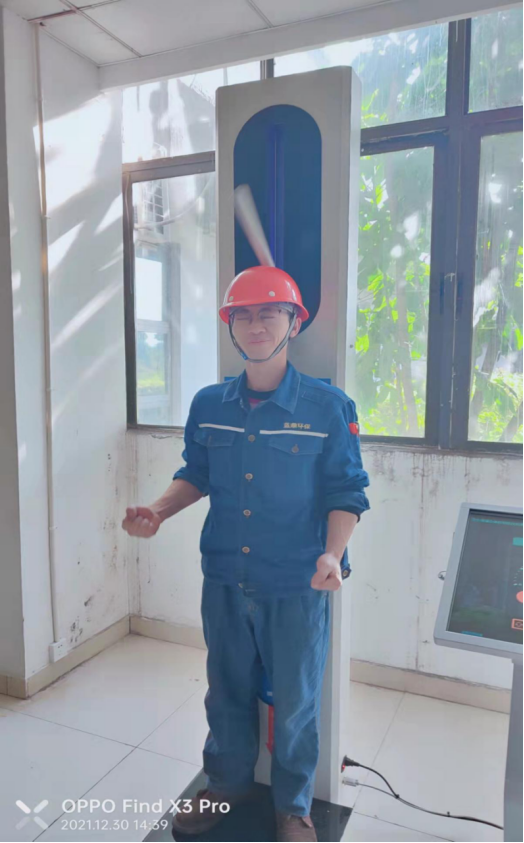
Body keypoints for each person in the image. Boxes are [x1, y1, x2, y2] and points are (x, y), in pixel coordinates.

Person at [122, 266, 371, 842]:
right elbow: (196, 473)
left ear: (293, 323)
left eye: (270, 313)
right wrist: (158, 510)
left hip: (297, 584)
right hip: (225, 578)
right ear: (230, 326)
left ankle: (294, 807)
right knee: (226, 689)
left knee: (297, 701)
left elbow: (347, 492)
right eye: (244, 315)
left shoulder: (329, 407)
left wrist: (332, 555)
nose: (256, 325)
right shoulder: (210, 403)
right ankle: (226, 785)